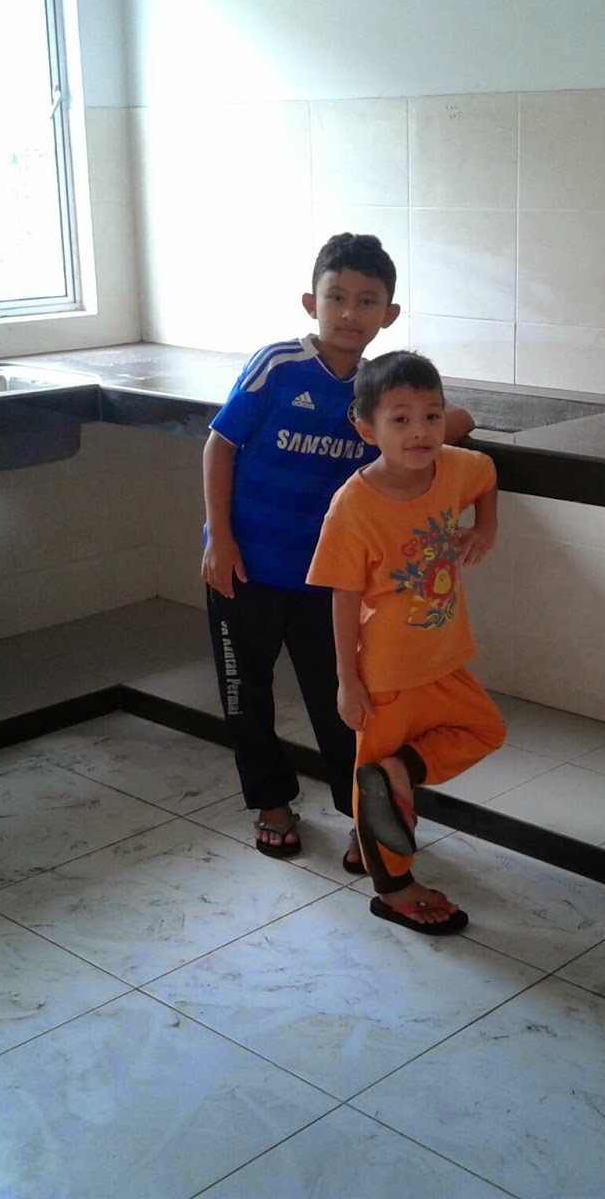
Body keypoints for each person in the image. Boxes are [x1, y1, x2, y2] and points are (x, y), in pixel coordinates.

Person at [201, 233, 474, 865]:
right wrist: (220, 538)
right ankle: (272, 804)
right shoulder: (278, 366)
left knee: (346, 701)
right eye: (337, 297)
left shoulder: (380, 389)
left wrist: (446, 423)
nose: (350, 313)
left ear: (389, 314)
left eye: (367, 301)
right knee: (246, 694)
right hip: (244, 568)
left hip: (331, 584)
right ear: (311, 302)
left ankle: (361, 813)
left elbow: (451, 417)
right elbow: (219, 446)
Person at [306, 350, 506, 934]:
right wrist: (347, 680)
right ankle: (394, 890)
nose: (420, 431)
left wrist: (487, 526)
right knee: (370, 783)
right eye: (401, 419)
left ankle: (400, 772)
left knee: (486, 731)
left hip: (445, 656)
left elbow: (487, 472)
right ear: (367, 429)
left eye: (431, 416)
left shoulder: (452, 467)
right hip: (387, 673)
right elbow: (342, 597)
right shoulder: (353, 506)